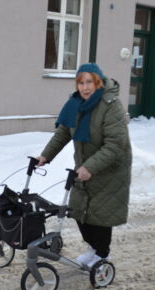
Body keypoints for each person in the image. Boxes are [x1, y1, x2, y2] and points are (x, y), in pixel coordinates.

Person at [37, 63, 132, 267]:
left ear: (98, 82)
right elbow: (63, 132)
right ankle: (93, 248)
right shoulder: (75, 104)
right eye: (81, 82)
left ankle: (102, 254)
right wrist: (45, 156)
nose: (85, 87)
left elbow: (115, 144)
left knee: (99, 215)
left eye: (89, 82)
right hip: (84, 167)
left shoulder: (111, 105)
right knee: (79, 211)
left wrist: (91, 167)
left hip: (109, 169)